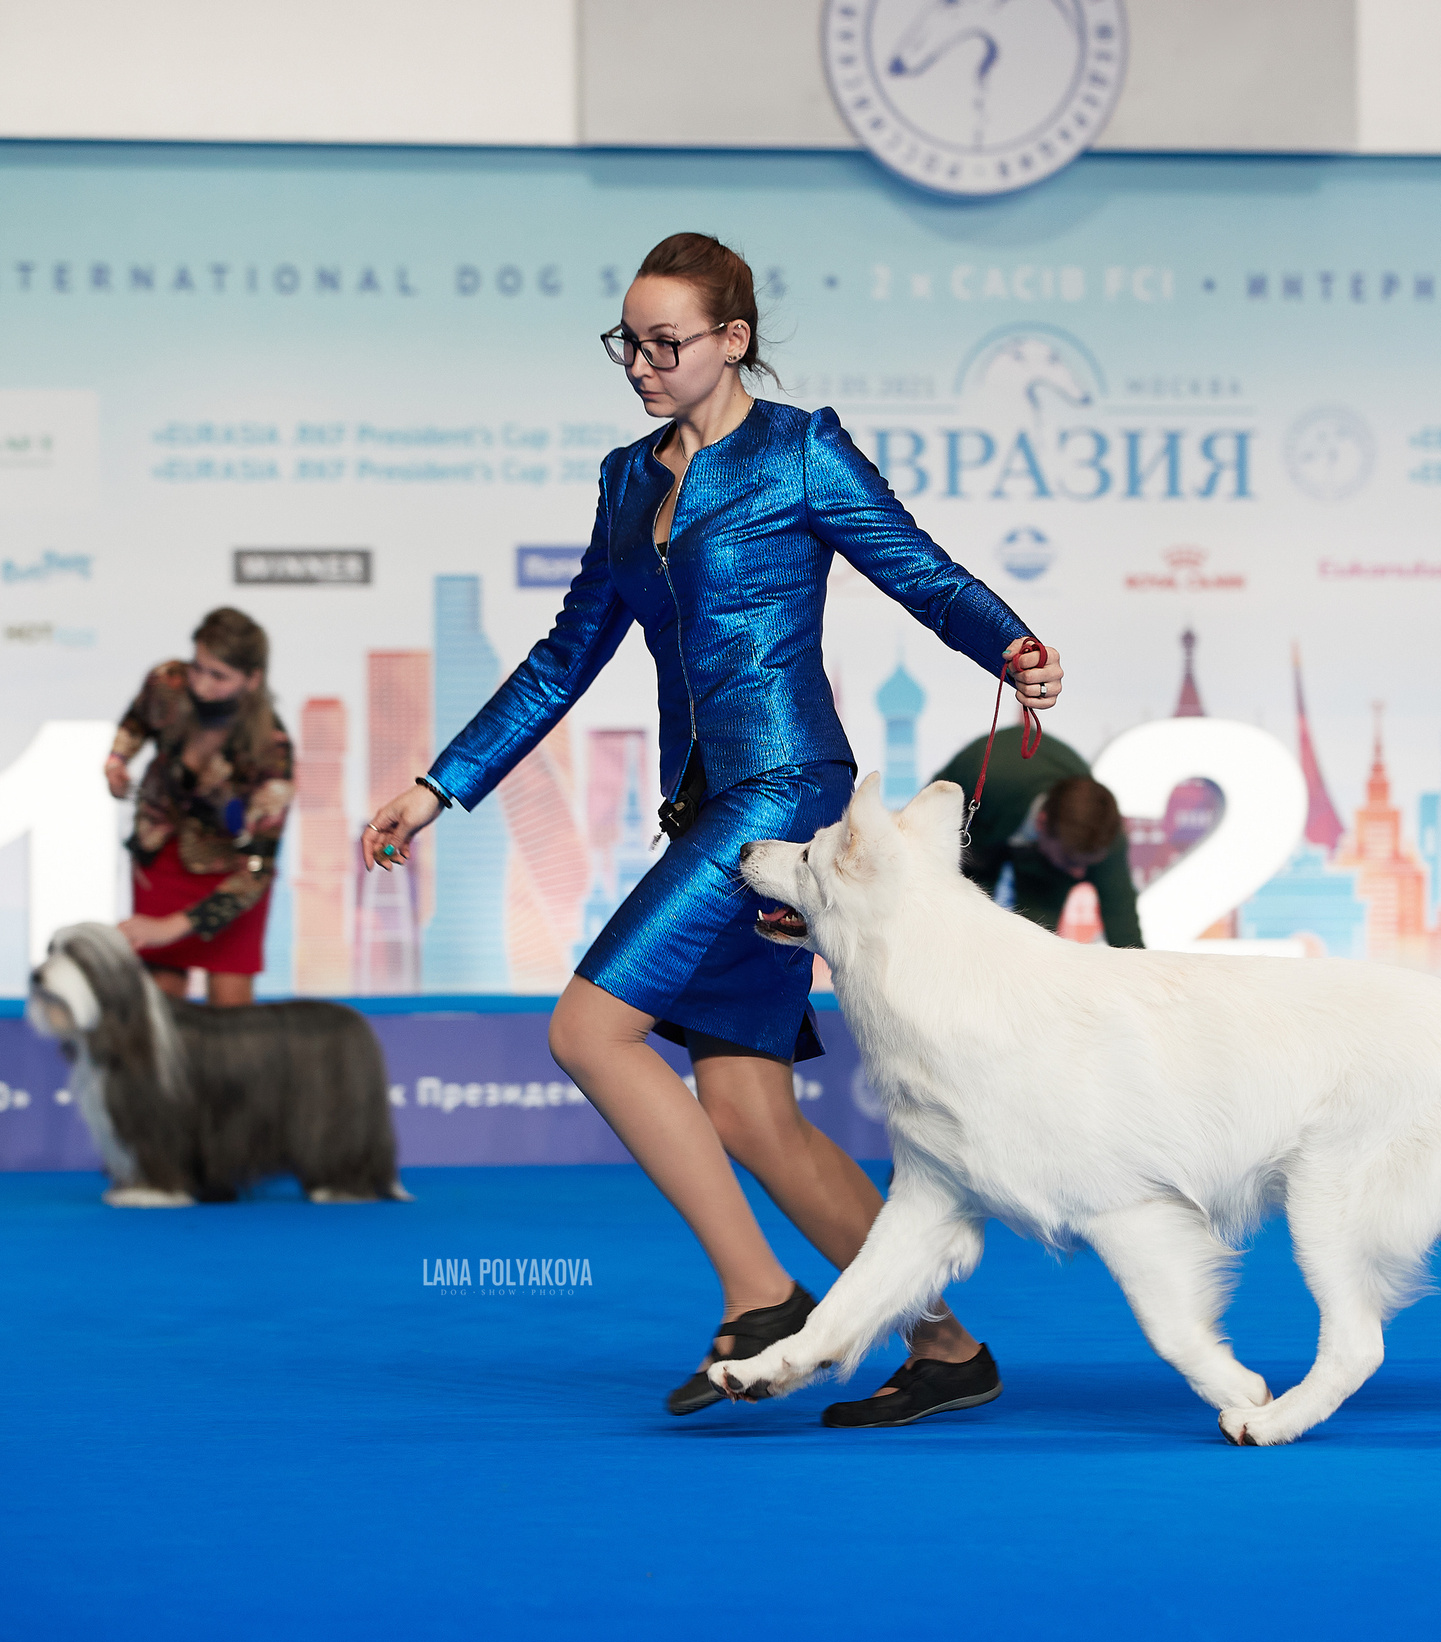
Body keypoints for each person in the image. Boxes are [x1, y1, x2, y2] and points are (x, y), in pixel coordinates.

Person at [361, 233, 1063, 1428]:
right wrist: (441, 784)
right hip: (707, 811)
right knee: (746, 1110)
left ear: (733, 340)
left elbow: (919, 570)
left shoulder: (801, 453)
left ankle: (760, 1297)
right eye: (625, 341)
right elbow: (566, 653)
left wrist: (1008, 639)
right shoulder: (629, 479)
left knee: (589, 1031)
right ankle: (943, 1348)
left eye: (664, 341)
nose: (639, 362)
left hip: (784, 793)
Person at [104, 607, 294, 1009]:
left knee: (232, 1009)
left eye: (219, 676)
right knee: (161, 1004)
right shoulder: (167, 683)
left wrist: (170, 927)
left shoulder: (271, 751)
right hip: (163, 855)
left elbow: (257, 868)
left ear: (252, 680)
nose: (202, 685)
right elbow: (137, 722)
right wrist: (117, 760)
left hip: (231, 875)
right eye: (198, 668)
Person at [932, 729, 1143, 947]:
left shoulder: (1103, 833)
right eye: (1071, 861)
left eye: (1085, 865)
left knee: (1037, 942)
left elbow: (1122, 917)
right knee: (958, 929)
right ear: (1042, 823)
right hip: (981, 823)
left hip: (1043, 858)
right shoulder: (981, 773)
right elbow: (921, 833)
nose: (1079, 874)